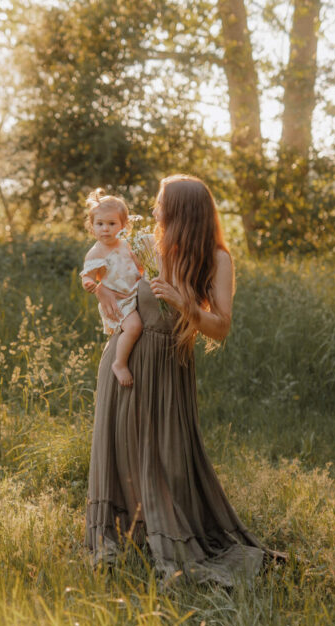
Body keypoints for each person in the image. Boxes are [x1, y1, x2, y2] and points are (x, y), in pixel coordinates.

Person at [85, 174, 285, 586]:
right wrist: (99, 289)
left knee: (168, 458)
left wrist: (184, 303)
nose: (155, 211)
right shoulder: (150, 247)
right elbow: (104, 269)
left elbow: (221, 328)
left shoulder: (217, 259)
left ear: (182, 210)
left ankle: (170, 534)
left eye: (161, 203)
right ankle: (125, 539)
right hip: (125, 364)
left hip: (169, 369)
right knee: (121, 450)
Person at [80, 189, 144, 387]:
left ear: (124, 226)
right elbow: (87, 275)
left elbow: (139, 268)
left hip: (134, 292)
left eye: (111, 224)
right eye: (100, 224)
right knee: (134, 327)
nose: (105, 229)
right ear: (92, 227)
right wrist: (90, 284)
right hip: (118, 301)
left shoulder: (127, 245)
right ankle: (120, 363)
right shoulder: (96, 252)